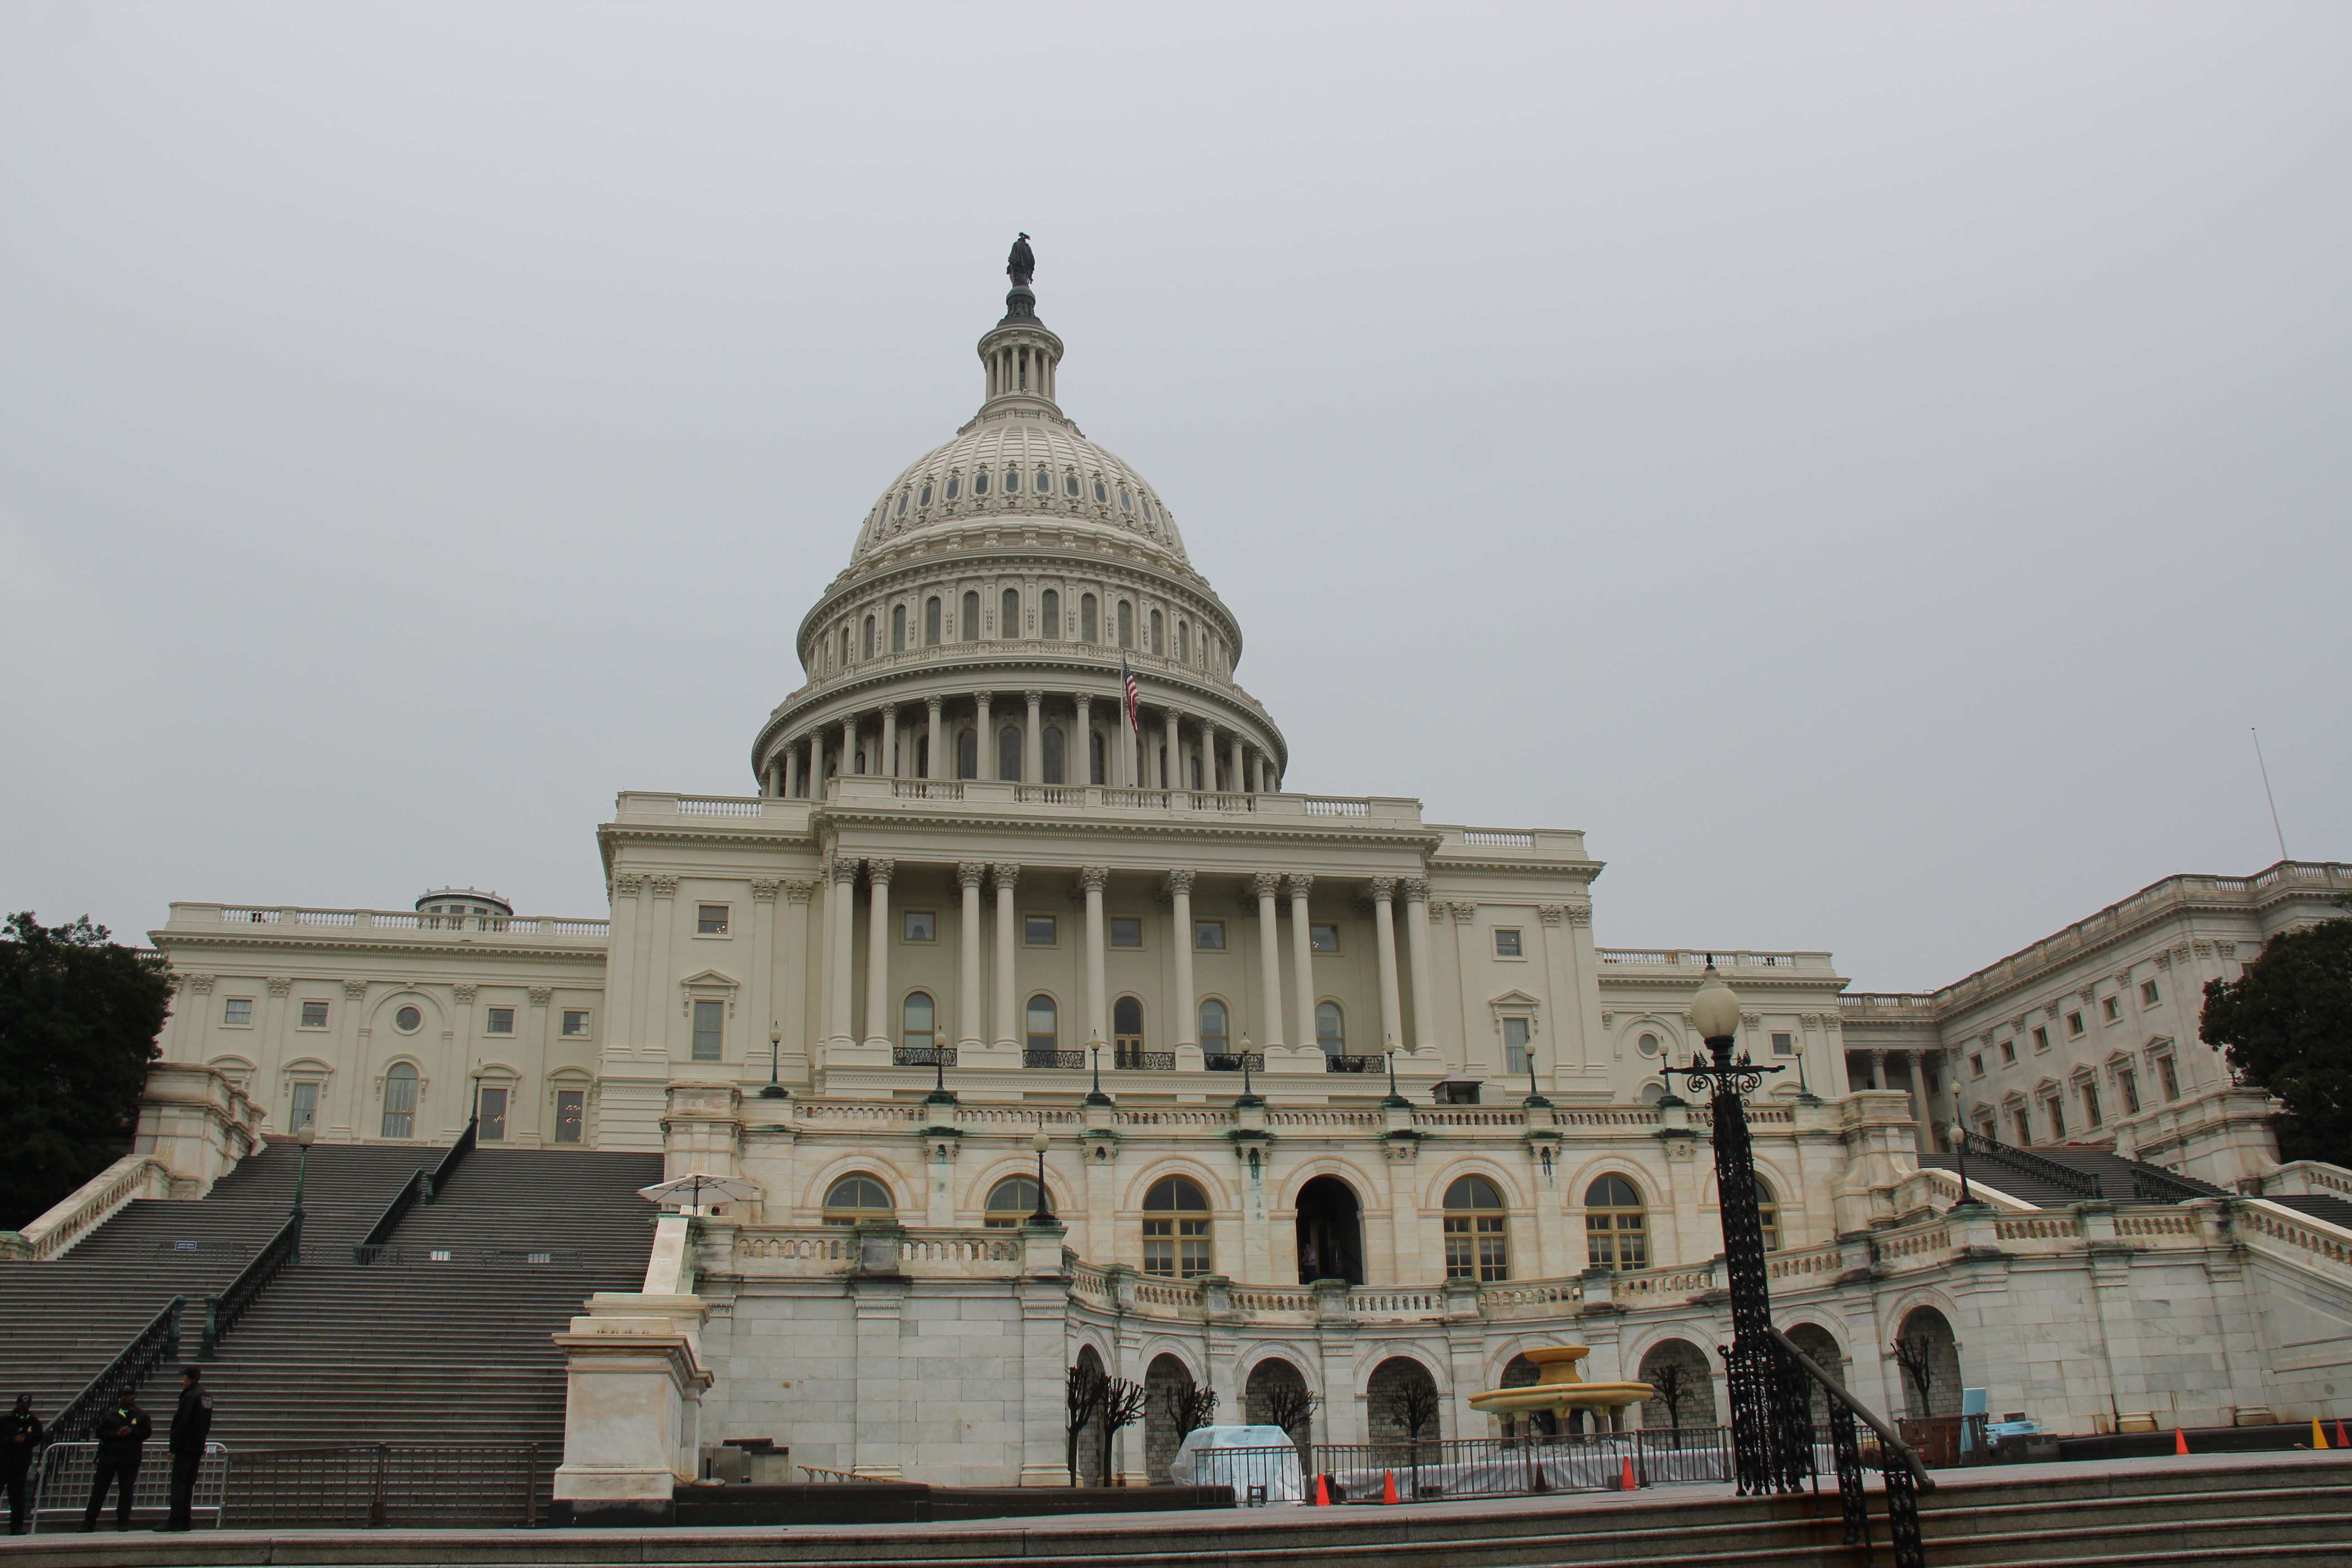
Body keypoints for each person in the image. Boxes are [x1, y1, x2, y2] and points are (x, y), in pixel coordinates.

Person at [80, 1392, 150, 1531]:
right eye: (125, 1396)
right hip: (109, 1457)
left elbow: (147, 1433)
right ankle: (89, 1521)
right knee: (99, 1490)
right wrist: (116, 1434)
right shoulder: (110, 1415)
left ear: (134, 1397)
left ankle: (123, 1521)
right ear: (121, 1398)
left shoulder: (142, 1415)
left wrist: (132, 1432)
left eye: (130, 1395)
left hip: (130, 1458)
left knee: (126, 1491)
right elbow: (100, 1433)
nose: (127, 1398)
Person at [162, 1369, 212, 1532]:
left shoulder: (189, 1396)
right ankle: (185, 1520)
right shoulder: (206, 1396)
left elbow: (182, 1424)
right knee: (189, 1484)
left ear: (187, 1379)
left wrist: (174, 1448)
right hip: (197, 1446)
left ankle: (175, 1520)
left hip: (185, 1446)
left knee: (179, 1483)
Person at [3, 1395, 42, 1535]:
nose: (22, 1409)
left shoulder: (33, 1422)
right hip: (3, 1462)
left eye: (25, 1407)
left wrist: (26, 1439)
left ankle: (17, 1527)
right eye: (21, 1406)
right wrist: (12, 1440)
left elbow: (38, 1438)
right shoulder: (6, 1420)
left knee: (18, 1498)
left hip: (20, 1465)